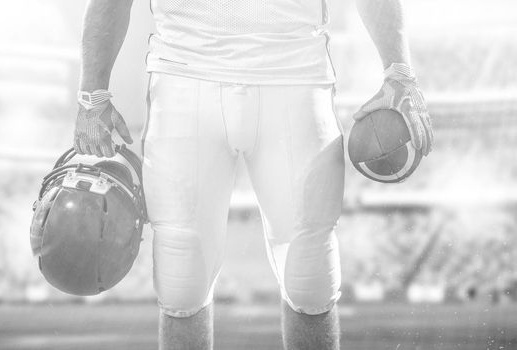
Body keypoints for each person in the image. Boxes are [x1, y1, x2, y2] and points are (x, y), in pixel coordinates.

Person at [73, 0, 433, 349]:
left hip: (295, 75)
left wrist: (399, 71)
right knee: (182, 284)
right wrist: (92, 94)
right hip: (184, 77)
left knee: (310, 279)